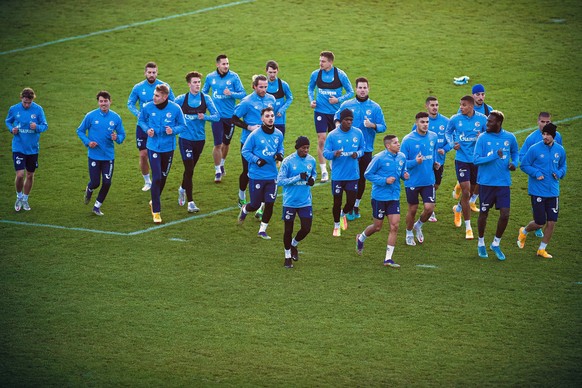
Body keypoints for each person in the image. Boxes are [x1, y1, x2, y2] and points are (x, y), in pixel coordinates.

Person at [333, 77, 387, 220]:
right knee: (346, 176)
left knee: (361, 177)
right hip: (347, 150)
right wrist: (338, 124)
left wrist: (373, 126)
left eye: (365, 88)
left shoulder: (375, 107)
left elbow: (383, 126)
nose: (362, 90)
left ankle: (355, 205)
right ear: (356, 89)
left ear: (368, 89)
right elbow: (336, 116)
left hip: (366, 149)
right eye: (360, 88)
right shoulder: (347, 104)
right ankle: (346, 203)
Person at [355, 135, 408, 268]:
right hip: (379, 197)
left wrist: (405, 175)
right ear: (388, 146)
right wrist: (384, 180)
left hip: (394, 197)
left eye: (398, 142)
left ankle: (388, 259)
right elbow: (367, 174)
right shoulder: (379, 158)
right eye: (395, 143)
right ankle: (361, 238)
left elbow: (402, 171)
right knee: (377, 227)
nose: (398, 144)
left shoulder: (402, 157)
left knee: (394, 226)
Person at [473, 110, 519, 260]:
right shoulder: (482, 139)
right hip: (486, 183)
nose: (487, 124)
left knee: (505, 214)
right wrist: (494, 156)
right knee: (483, 214)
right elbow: (476, 160)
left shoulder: (510, 137)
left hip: (503, 183)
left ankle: (496, 243)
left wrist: (514, 163)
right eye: (487, 121)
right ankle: (481, 243)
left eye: (490, 122)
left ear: (498, 123)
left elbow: (515, 152)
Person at [138, 84, 186, 224]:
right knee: (157, 176)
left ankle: (154, 200)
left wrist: (173, 130)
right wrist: (147, 130)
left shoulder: (175, 108)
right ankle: (156, 211)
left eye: (157, 96)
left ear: (165, 97)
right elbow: (141, 121)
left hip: (168, 148)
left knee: (163, 177)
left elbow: (183, 125)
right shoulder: (147, 107)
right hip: (153, 147)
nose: (154, 97)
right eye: (154, 94)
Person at [517, 123, 567, 258]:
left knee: (552, 222)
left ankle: (542, 249)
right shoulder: (534, 149)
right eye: (543, 134)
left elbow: (563, 165)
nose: (545, 137)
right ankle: (524, 230)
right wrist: (535, 172)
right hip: (538, 190)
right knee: (539, 222)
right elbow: (524, 165)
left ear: (553, 136)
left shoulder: (560, 150)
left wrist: (559, 173)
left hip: (553, 191)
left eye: (547, 134)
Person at [174, 71, 220, 213]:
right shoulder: (182, 99)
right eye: (195, 82)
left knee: (190, 169)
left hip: (199, 140)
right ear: (189, 84)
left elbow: (217, 116)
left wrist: (204, 117)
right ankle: (191, 202)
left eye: (199, 82)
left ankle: (182, 188)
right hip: (185, 139)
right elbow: (170, 110)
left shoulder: (206, 98)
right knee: (189, 169)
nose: (197, 85)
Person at [237, 107, 284, 240]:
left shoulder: (278, 134)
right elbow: (245, 151)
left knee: (269, 203)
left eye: (272, 116)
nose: (270, 118)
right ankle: (245, 209)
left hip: (272, 175)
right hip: (256, 175)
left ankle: (262, 230)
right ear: (262, 118)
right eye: (267, 116)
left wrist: (280, 154)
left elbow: (280, 146)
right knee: (255, 204)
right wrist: (256, 160)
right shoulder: (255, 135)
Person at [127, 62, 175, 191]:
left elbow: (173, 103)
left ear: (157, 72)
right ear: (145, 73)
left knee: (157, 153)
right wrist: (137, 113)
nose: (151, 75)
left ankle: (157, 177)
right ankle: (147, 181)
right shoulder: (138, 87)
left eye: (154, 72)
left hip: (159, 126)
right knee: (143, 155)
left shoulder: (165, 87)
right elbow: (130, 103)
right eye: (149, 72)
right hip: (143, 126)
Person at [77, 91, 126, 216]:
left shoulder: (116, 118)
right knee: (95, 182)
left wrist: (117, 138)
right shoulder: (91, 116)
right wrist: (88, 142)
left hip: (108, 156)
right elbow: (80, 131)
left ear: (110, 101)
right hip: (94, 155)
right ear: (98, 102)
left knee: (107, 182)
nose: (103, 103)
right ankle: (89, 189)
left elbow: (122, 135)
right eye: (101, 101)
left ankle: (97, 206)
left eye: (105, 101)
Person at [445, 95, 487, 239]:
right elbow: (448, 132)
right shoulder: (455, 119)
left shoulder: (482, 119)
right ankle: (468, 227)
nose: (461, 107)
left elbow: (490, 135)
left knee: (476, 188)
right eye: (460, 104)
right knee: (466, 191)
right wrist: (452, 144)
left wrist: (483, 136)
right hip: (462, 159)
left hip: (476, 160)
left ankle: (458, 209)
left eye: (463, 105)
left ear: (471, 106)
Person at [308, 51, 354, 182]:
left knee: (335, 140)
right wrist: (312, 100)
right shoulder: (316, 74)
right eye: (320, 60)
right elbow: (310, 88)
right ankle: (323, 171)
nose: (320, 63)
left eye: (323, 61)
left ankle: (333, 163)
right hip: (320, 112)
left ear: (330, 62)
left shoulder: (340, 75)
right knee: (322, 139)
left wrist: (338, 99)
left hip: (335, 113)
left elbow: (350, 91)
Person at [232, 75, 276, 209]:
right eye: (261, 87)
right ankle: (241, 196)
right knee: (247, 171)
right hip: (248, 143)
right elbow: (233, 118)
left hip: (266, 143)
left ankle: (261, 203)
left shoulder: (271, 99)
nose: (263, 89)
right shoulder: (247, 102)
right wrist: (249, 127)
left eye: (266, 87)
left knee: (264, 171)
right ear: (254, 86)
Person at [202, 54, 246, 182]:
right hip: (216, 116)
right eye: (223, 64)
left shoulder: (234, 77)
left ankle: (222, 163)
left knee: (226, 143)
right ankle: (217, 171)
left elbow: (243, 94)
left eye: (227, 64)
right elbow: (204, 93)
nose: (226, 66)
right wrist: (204, 106)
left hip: (230, 117)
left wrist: (231, 93)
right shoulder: (210, 77)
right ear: (217, 65)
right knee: (217, 144)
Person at [5, 87, 48, 212]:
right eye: (25, 102)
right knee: (20, 175)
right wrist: (11, 129)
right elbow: (8, 121)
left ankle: (25, 198)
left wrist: (37, 127)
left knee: (29, 175)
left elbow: (45, 126)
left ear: (32, 100)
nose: (27, 105)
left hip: (33, 149)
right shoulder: (14, 109)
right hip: (18, 146)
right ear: (21, 99)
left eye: (29, 102)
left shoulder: (38, 109)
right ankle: (18, 196)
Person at [277, 136, 317, 268]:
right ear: (297, 147)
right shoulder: (288, 162)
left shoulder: (311, 160)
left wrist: (312, 179)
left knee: (306, 228)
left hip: (305, 201)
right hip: (290, 202)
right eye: (303, 148)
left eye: (307, 148)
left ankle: (294, 244)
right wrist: (297, 178)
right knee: (288, 230)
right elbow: (280, 181)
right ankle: (287, 256)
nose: (306, 150)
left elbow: (314, 174)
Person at [323, 109, 364, 237]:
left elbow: (363, 148)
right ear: (341, 120)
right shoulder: (333, 135)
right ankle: (336, 225)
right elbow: (325, 153)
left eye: (351, 120)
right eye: (347, 120)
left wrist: (357, 154)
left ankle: (343, 214)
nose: (349, 122)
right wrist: (334, 154)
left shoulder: (358, 133)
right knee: (337, 202)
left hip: (352, 174)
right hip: (338, 176)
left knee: (351, 202)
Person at [400, 112, 439, 246]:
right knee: (413, 209)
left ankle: (418, 225)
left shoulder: (433, 136)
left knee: (429, 208)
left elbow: (433, 152)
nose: (425, 124)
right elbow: (402, 163)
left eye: (427, 122)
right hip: (412, 181)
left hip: (428, 180)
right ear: (416, 123)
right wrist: (415, 162)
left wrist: (435, 162)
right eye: (422, 122)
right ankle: (409, 232)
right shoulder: (407, 140)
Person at [452, 84, 493, 201]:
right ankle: (464, 193)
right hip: (465, 151)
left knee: (480, 179)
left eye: (483, 94)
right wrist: (455, 141)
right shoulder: (463, 110)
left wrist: (484, 136)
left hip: (480, 150)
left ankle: (472, 200)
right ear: (472, 96)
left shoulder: (488, 110)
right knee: (468, 182)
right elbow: (455, 128)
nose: (481, 97)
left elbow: (492, 130)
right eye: (478, 94)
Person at [411, 96, 450, 222]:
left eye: (437, 105)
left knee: (436, 184)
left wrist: (444, 149)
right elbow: (413, 140)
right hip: (424, 162)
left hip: (439, 161)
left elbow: (451, 140)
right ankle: (429, 209)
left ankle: (428, 204)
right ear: (426, 106)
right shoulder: (419, 123)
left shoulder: (446, 121)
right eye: (432, 105)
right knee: (428, 184)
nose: (435, 107)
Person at [265, 60, 293, 136]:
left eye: (274, 72)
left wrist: (282, 109)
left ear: (277, 71)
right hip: (265, 120)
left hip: (279, 120)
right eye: (270, 72)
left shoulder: (283, 84)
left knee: (279, 144)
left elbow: (290, 98)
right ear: (266, 71)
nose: (272, 75)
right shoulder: (263, 85)